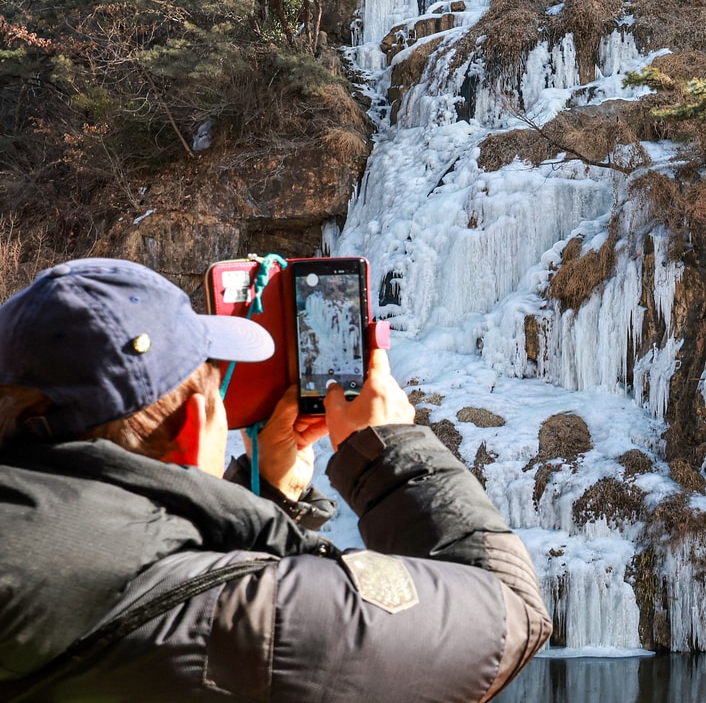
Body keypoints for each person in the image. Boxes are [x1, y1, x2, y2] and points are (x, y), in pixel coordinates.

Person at [0, 258, 550, 701]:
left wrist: (267, 491)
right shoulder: (236, 618)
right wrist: (388, 450)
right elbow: (509, 615)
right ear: (195, 427)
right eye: (216, 396)